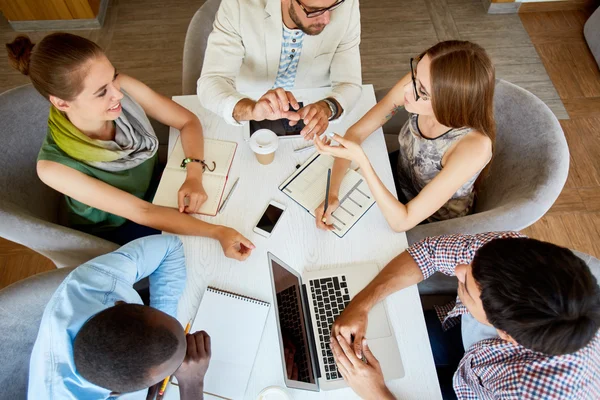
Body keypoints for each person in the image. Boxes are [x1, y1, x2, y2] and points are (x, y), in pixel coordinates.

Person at [6, 33, 254, 260]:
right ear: (61, 103)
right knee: (204, 253)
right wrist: (218, 232)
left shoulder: (121, 87)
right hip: (119, 227)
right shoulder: (52, 168)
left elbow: (187, 120)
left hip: (155, 189)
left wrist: (194, 175)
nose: (119, 94)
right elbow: (143, 213)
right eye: (102, 92)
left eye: (113, 77)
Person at [330, 232, 600, 399]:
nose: (458, 269)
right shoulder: (507, 252)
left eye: (467, 288)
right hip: (460, 337)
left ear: (506, 334)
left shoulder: (535, 392)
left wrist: (377, 394)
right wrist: (362, 303)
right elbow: (430, 253)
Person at [315, 41, 495, 232]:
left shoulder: (474, 148)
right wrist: (332, 193)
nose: (407, 88)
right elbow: (356, 133)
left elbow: (402, 222)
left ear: (450, 103)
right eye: (415, 74)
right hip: (395, 180)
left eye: (422, 91)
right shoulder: (419, 83)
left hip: (429, 223)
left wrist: (362, 160)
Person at [28, 234, 212, 399]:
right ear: (116, 396)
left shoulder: (96, 285)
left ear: (120, 303)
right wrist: (191, 384)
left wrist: (161, 354)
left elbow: (169, 248)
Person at [197, 0, 362, 139]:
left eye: (332, 7)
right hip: (248, 101)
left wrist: (328, 107)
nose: (326, 20)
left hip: (316, 103)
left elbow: (350, 83)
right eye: (313, 10)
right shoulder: (239, 5)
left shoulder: (346, 5)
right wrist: (250, 109)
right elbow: (210, 82)